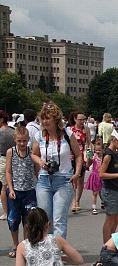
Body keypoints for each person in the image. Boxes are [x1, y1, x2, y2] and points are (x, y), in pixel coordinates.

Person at [31, 102, 82, 240]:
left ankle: (57, 250)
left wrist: (77, 174)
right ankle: (46, 248)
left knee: (59, 218)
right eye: (43, 118)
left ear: (55, 119)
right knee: (45, 218)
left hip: (64, 180)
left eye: (48, 118)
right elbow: (34, 154)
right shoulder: (39, 136)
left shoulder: (67, 134)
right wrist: (40, 162)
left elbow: (78, 155)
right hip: (44, 180)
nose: (45, 121)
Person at [5, 126, 38, 257]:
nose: (22, 143)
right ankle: (15, 244)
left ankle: (25, 244)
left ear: (28, 139)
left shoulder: (32, 152)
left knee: (28, 220)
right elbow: (8, 171)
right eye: (19, 141)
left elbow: (36, 170)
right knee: (13, 219)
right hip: (15, 192)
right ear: (14, 139)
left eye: (24, 141)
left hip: (29, 191)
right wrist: (11, 189)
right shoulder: (11, 152)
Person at [70, 112, 93, 212]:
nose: (82, 121)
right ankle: (73, 201)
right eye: (80, 119)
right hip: (71, 156)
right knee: (72, 179)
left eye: (83, 119)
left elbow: (89, 143)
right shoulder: (70, 130)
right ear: (75, 119)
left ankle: (77, 200)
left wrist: (89, 157)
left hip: (82, 156)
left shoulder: (86, 129)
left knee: (80, 179)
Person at [0, 109, 15, 220]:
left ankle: (6, 212)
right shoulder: (12, 130)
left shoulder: (1, 132)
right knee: (12, 185)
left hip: (3, 159)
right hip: (14, 158)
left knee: (3, 187)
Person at [85, 140, 104, 215]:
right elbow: (88, 162)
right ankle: (94, 207)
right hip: (95, 176)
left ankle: (103, 202)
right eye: (96, 150)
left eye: (99, 150)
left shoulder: (104, 158)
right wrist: (88, 156)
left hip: (102, 177)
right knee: (95, 192)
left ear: (103, 150)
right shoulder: (94, 157)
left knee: (102, 192)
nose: (98, 151)